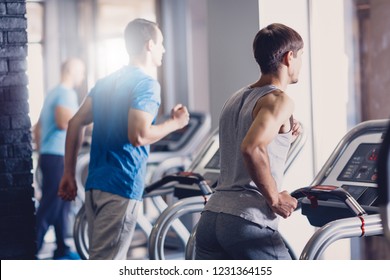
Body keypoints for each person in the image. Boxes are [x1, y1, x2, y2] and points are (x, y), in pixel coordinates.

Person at [58, 18, 190, 260]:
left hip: (95, 184)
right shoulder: (147, 84)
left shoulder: (106, 82)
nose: (163, 49)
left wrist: (68, 173)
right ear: (150, 45)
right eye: (161, 43)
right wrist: (175, 123)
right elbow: (139, 135)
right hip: (121, 184)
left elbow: (76, 123)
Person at [195, 23, 303, 260]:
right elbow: (252, 147)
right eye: (301, 56)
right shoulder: (279, 99)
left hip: (211, 218)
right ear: (289, 57)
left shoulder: (236, 98)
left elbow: (253, 130)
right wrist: (274, 199)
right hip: (246, 220)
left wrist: (290, 124)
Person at [34, 58, 85, 259]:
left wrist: (41, 152)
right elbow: (65, 122)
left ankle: (62, 248)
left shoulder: (53, 93)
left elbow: (38, 127)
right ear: (71, 70)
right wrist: (87, 122)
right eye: (81, 72)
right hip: (57, 156)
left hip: (49, 154)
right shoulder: (66, 93)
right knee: (51, 205)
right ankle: (30, 250)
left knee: (63, 203)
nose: (82, 77)